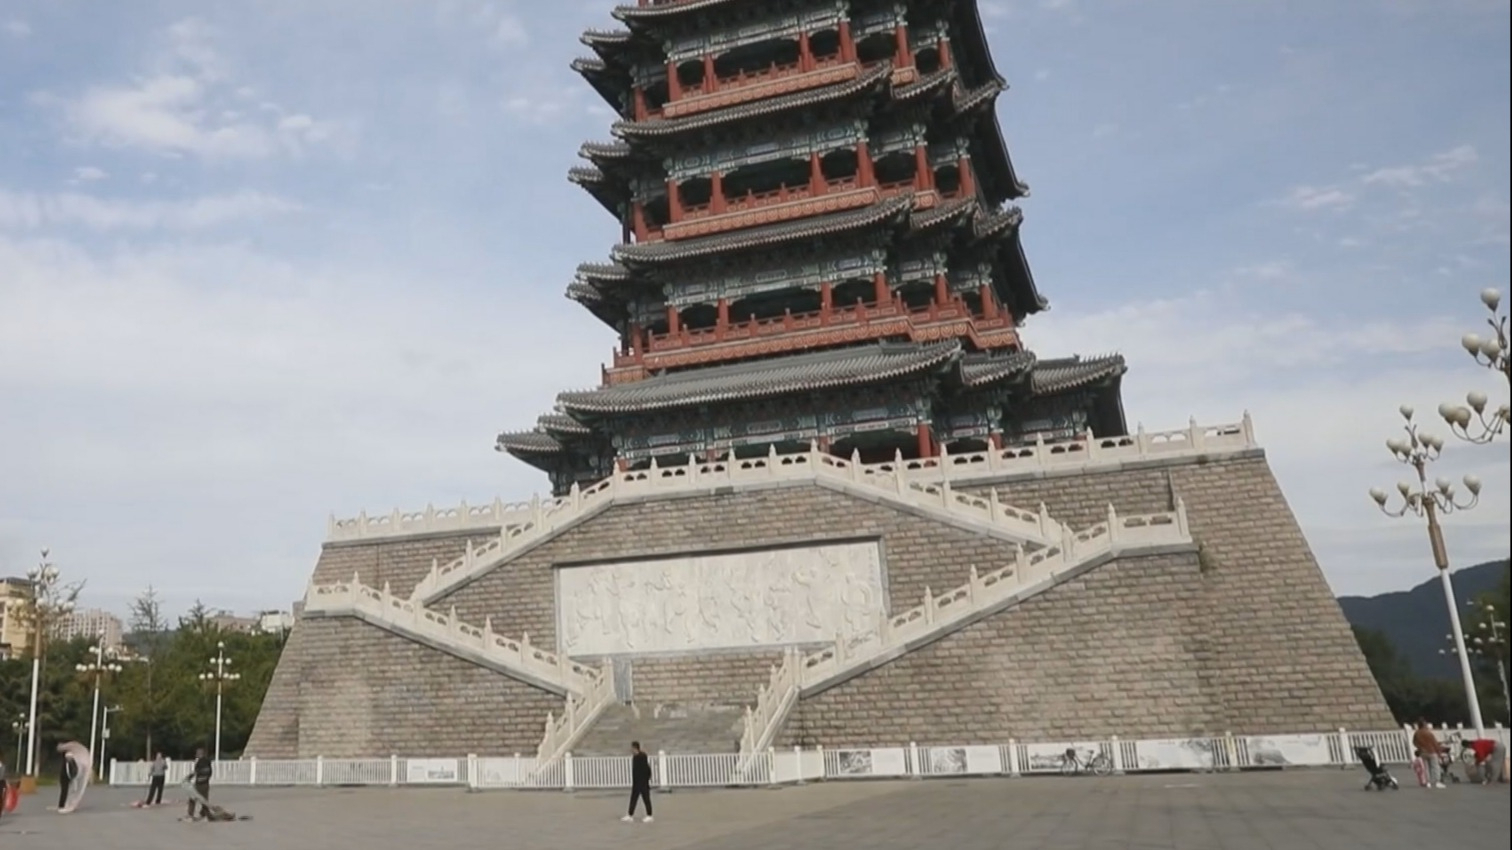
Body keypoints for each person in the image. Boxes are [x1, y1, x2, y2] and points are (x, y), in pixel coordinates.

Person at [621, 741, 653, 823]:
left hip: (643, 782)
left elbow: (646, 769)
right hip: (636, 782)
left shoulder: (642, 756)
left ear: (635, 748)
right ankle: (630, 815)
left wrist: (646, 779)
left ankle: (649, 815)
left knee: (646, 799)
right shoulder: (635, 757)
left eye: (632, 748)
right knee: (633, 799)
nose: (631, 750)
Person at [1411, 720, 1445, 789]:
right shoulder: (1429, 733)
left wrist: (1419, 747)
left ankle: (1427, 782)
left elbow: (1414, 742)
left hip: (1423, 752)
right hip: (1432, 751)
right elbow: (1434, 743)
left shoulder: (1417, 733)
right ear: (1424, 725)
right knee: (1435, 767)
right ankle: (1437, 782)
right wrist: (1439, 752)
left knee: (1425, 768)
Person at [186, 747, 213, 821]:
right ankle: (205, 814)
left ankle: (190, 815)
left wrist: (189, 777)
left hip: (200, 783)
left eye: (197, 753)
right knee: (204, 800)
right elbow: (210, 772)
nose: (196, 754)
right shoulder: (207, 761)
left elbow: (197, 771)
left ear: (200, 753)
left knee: (192, 798)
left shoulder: (200, 762)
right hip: (205, 783)